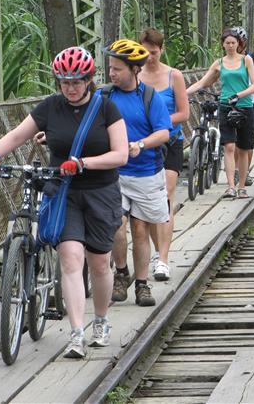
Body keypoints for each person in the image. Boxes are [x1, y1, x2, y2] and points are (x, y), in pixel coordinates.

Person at [0, 47, 128, 358]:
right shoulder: (50, 107)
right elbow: (17, 135)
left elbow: (120, 154)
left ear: (89, 80)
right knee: (71, 258)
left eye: (76, 81)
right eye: (64, 82)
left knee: (99, 263)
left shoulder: (106, 109)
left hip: (101, 191)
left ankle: (100, 320)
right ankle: (76, 334)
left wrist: (83, 162)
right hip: (64, 192)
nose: (70, 88)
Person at [105, 39, 172, 307]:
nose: (112, 73)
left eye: (117, 69)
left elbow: (164, 132)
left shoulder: (149, 96)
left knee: (141, 229)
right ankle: (121, 273)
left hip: (146, 172)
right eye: (110, 68)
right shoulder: (104, 96)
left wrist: (141, 144)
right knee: (117, 227)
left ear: (134, 70)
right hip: (115, 175)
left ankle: (142, 284)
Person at [138, 28, 190, 282]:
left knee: (165, 195)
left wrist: (160, 123)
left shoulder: (174, 76)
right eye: (145, 52)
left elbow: (184, 113)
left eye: (154, 52)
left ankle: (164, 260)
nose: (149, 57)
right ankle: (159, 252)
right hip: (143, 146)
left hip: (170, 141)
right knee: (148, 205)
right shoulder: (134, 76)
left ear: (162, 50)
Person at [186, 29, 254, 199]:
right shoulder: (219, 63)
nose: (231, 46)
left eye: (234, 43)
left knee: (243, 148)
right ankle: (230, 186)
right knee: (229, 146)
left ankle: (241, 186)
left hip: (244, 107)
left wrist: (239, 95)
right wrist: (183, 93)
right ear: (223, 45)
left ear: (238, 44)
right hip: (226, 106)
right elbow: (203, 82)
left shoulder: (246, 60)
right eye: (227, 43)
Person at [231, 26, 254, 188]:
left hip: (251, 102)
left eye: (238, 41)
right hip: (233, 102)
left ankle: (245, 172)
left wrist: (250, 88)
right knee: (233, 140)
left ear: (244, 42)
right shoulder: (227, 60)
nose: (234, 45)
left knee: (247, 139)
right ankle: (238, 171)